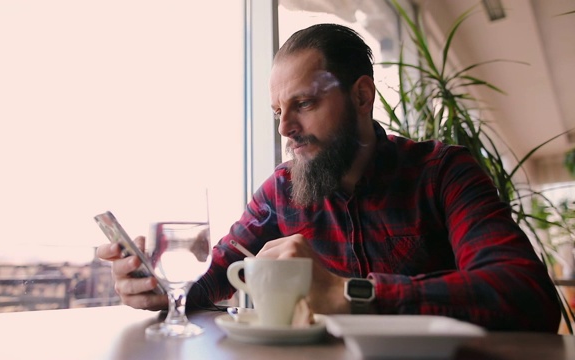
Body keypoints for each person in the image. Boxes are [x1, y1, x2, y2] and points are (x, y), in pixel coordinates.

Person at [97, 23, 560, 332]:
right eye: (278, 111)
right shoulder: (281, 190)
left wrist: (350, 293)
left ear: (361, 97)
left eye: (304, 104)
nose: (284, 128)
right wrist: (157, 287)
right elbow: (213, 277)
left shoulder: (442, 172)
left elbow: (525, 294)